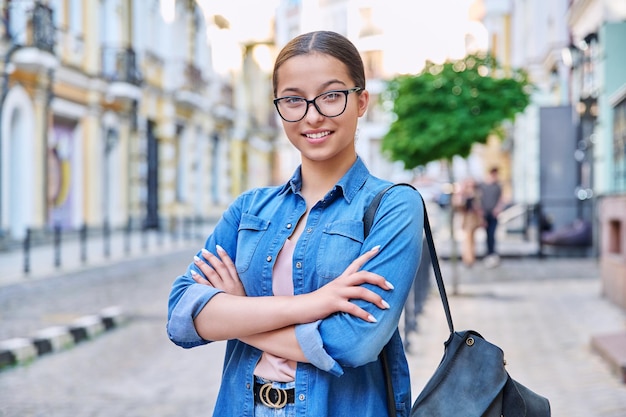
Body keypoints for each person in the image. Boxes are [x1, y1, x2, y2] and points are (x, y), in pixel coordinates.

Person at [166, 31, 424, 417]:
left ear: (362, 101)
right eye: (293, 100)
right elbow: (182, 316)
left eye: (331, 95)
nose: (312, 115)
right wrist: (314, 304)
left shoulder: (393, 206)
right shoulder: (249, 210)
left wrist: (236, 313)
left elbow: (354, 341)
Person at [478, 167, 504, 268]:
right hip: (485, 214)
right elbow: (479, 199)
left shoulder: (498, 186)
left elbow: (501, 199)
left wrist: (497, 209)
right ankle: (488, 253)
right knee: (487, 234)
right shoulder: (483, 186)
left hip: (494, 214)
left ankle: (492, 253)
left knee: (492, 234)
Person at [456, 178, 483, 267]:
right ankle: (468, 258)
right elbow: (459, 206)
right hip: (467, 218)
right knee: (467, 239)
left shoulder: (476, 194)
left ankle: (471, 257)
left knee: (472, 239)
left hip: (473, 219)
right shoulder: (463, 195)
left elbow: (479, 207)